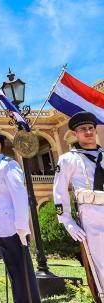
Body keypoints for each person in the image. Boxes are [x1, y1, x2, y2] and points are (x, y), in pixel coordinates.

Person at [0, 132, 41, 303]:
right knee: (14, 273)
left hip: (14, 228)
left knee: (23, 273)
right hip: (1, 228)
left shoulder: (9, 165)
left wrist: (22, 226)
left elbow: (19, 196)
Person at [54, 111, 104, 294]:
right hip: (91, 214)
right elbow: (59, 191)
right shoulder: (68, 159)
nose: (89, 132)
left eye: (91, 128)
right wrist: (66, 221)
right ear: (76, 134)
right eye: (83, 129)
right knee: (101, 263)